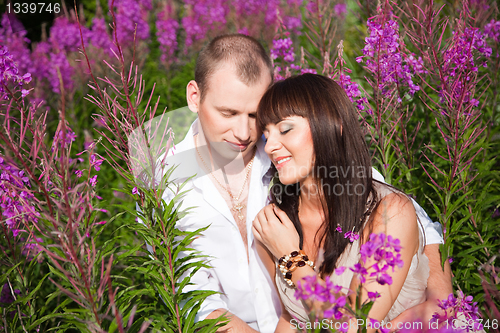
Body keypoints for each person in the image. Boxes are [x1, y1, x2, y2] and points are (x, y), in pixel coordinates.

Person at [162, 34, 452, 333]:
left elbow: (404, 215)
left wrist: (441, 304)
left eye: (254, 116)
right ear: (194, 97)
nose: (245, 133)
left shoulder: (288, 157)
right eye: (228, 113)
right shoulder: (166, 180)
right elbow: (194, 296)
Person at [252, 73, 444, 332]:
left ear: (334, 125)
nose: (270, 146)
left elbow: (356, 326)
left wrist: (291, 259)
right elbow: (292, 316)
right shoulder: (275, 225)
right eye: (266, 134)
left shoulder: (389, 213)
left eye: (285, 129)